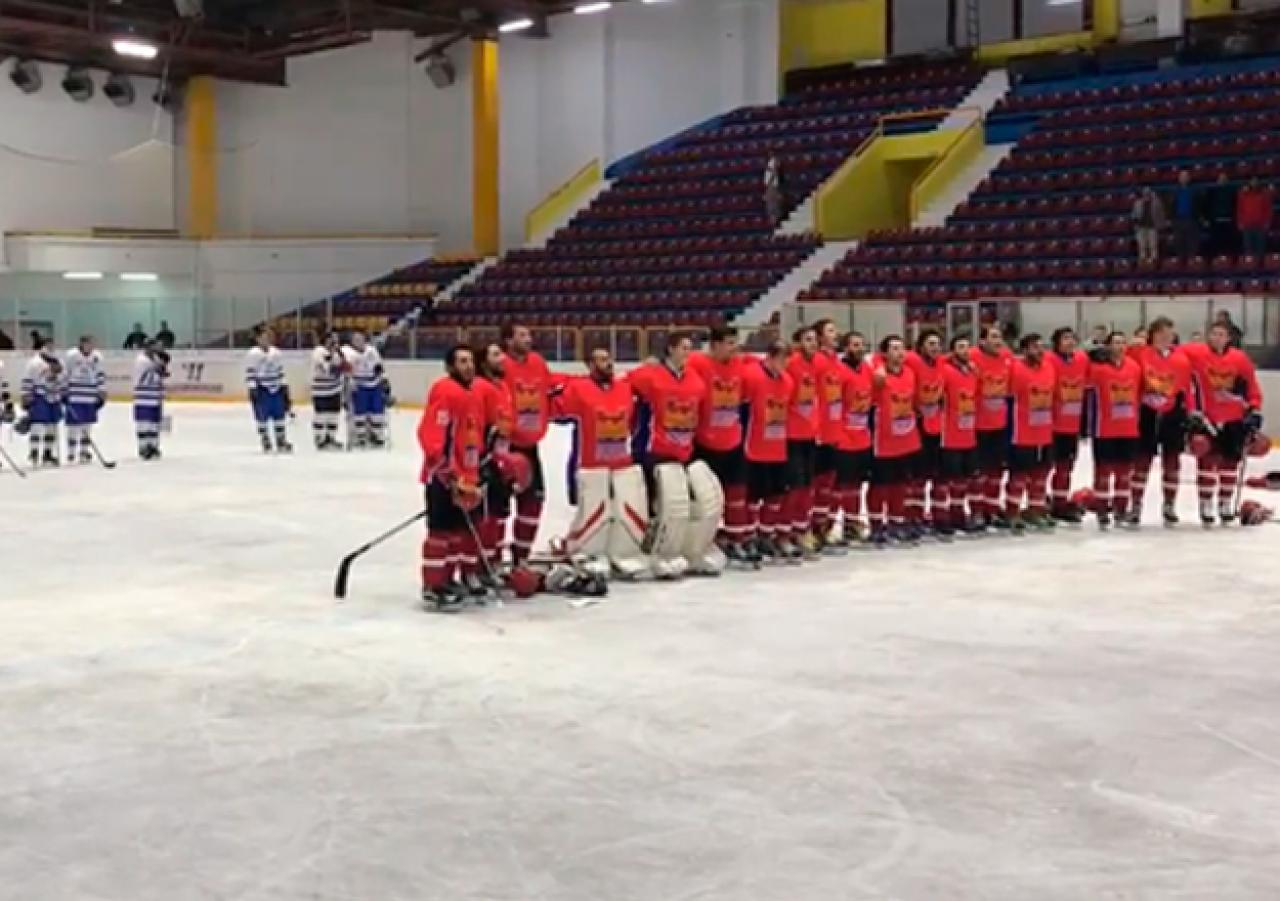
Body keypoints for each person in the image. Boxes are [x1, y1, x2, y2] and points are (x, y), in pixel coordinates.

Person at [551, 346, 648, 578]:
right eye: (602, 360)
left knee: (625, 509)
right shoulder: (578, 389)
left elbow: (634, 421)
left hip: (621, 462)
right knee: (594, 512)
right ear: (589, 364)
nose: (608, 363)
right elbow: (556, 411)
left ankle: (620, 551)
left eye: (609, 358)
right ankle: (581, 548)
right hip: (590, 463)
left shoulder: (625, 389)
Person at [629, 332, 718, 578]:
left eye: (691, 348)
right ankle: (649, 547)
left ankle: (679, 547)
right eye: (683, 348)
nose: (688, 353)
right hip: (655, 450)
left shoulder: (696, 381)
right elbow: (626, 387)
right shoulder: (649, 376)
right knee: (657, 503)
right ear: (670, 349)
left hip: (683, 451)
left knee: (682, 503)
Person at [417, 345, 487, 612]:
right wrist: (446, 473)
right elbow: (433, 434)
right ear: (450, 367)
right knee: (441, 534)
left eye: (470, 360)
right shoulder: (445, 391)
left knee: (460, 534)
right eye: (462, 361)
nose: (469, 366)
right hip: (446, 477)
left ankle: (449, 579)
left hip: (467, 477)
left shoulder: (472, 392)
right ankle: (434, 586)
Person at [1183, 321, 1264, 526]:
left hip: (1234, 418)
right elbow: (1167, 354)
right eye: (1214, 334)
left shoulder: (1239, 358)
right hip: (1207, 418)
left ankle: (1225, 503)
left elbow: (1251, 386)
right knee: (1207, 461)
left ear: (1229, 338)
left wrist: (1254, 407)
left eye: (1221, 334)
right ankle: (1205, 503)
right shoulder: (1195, 353)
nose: (1217, 338)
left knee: (1230, 463)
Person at [687, 326, 752, 563]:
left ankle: (737, 539)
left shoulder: (740, 364)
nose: (734, 348)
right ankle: (707, 539)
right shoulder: (697, 363)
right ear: (714, 345)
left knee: (737, 494)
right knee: (707, 498)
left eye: (735, 343)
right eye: (728, 343)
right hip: (704, 443)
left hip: (733, 441)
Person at [500, 323, 560, 565]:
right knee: (498, 508)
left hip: (530, 447)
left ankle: (520, 556)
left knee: (533, 502)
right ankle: (489, 560)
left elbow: (551, 385)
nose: (529, 339)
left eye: (529, 335)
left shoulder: (537, 362)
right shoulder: (500, 365)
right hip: (504, 447)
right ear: (508, 340)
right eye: (522, 335)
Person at [1133, 316, 1195, 525]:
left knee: (1172, 461)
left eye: (1168, 334)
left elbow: (1187, 389)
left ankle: (1169, 504)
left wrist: (1191, 411)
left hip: (1172, 414)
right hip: (1146, 413)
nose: (1165, 338)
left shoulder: (1182, 359)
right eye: (1160, 334)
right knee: (1142, 461)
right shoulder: (1141, 354)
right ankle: (1136, 504)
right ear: (1152, 335)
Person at [741, 341, 794, 564]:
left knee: (775, 496)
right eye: (783, 359)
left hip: (778, 447)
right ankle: (750, 536)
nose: (786, 364)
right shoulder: (752, 376)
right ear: (771, 357)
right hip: (755, 447)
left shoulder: (788, 382)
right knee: (753, 497)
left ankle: (766, 534)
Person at [869, 336, 921, 546]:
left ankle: (896, 521)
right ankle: (876, 525)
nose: (900, 353)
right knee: (881, 485)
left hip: (907, 438)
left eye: (902, 348)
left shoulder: (910, 373)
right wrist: (879, 365)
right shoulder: (878, 376)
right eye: (894, 349)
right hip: (884, 440)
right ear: (885, 353)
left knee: (901, 484)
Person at [1087, 331, 1142, 529]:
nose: (1119, 346)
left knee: (1124, 472)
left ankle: (1120, 509)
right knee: (1103, 472)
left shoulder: (1135, 368)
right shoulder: (1097, 369)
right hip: (1104, 429)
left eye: (1122, 342)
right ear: (1108, 346)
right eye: (1115, 343)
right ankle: (1102, 509)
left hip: (1128, 429)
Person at [1007, 334, 1057, 533]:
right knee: (1019, 475)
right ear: (1025, 349)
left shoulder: (1049, 367)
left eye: (1041, 346)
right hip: (1022, 432)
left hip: (1044, 431)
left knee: (1041, 473)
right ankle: (1012, 511)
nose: (1040, 350)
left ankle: (1035, 509)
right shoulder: (1015, 368)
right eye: (1035, 347)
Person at [784, 326, 822, 557]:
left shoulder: (816, 364)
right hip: (791, 435)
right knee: (794, 487)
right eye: (808, 339)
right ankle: (786, 531)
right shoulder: (791, 364)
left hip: (810, 434)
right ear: (797, 342)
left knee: (808, 485)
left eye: (815, 340)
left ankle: (801, 528)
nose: (813, 343)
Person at [937, 335, 980, 538]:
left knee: (964, 479)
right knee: (947, 478)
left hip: (968, 433)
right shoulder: (945, 371)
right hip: (950, 434)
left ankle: (958, 513)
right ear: (952, 350)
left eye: (967, 347)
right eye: (960, 347)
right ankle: (942, 515)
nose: (965, 351)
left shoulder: (972, 372)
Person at [835, 331, 874, 545]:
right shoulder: (839, 371)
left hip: (862, 436)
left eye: (862, 344)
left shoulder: (867, 369)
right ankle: (836, 524)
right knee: (843, 485)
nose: (859, 348)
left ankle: (853, 521)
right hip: (843, 435)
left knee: (857, 484)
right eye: (855, 345)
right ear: (846, 347)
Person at [972, 326, 1013, 529]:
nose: (999, 340)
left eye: (1000, 337)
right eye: (994, 337)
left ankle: (992, 508)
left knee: (996, 471)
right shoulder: (972, 357)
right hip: (978, 425)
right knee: (979, 472)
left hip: (1000, 424)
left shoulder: (1007, 357)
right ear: (982, 341)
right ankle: (977, 510)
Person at [905, 329, 945, 535]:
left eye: (937, 343)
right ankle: (911, 514)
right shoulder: (911, 360)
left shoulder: (941, 363)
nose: (935, 347)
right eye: (930, 343)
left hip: (936, 425)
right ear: (921, 346)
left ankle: (927, 513)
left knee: (933, 472)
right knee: (916, 475)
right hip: (916, 425)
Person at [810, 319, 845, 550]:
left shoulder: (836, 361)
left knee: (830, 483)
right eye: (831, 331)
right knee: (816, 482)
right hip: (819, 432)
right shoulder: (818, 361)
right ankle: (810, 528)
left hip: (834, 431)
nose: (836, 334)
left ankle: (824, 526)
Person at [1048, 327, 1089, 522]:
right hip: (1050, 425)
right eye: (1065, 339)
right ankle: (1037, 502)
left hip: (1072, 425)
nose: (1070, 342)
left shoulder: (1081, 359)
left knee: (1066, 467)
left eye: (1073, 338)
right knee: (1044, 467)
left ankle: (1060, 502)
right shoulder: (1049, 360)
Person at [245, 327, 292, 454]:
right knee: (262, 416)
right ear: (258, 339)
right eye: (264, 337)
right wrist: (252, 388)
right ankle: (265, 439)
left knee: (279, 415)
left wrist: (284, 387)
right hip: (262, 388)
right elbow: (250, 372)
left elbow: (280, 371)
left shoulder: (276, 352)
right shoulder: (253, 354)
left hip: (276, 387)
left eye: (268, 337)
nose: (267, 339)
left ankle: (281, 440)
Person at [20, 337, 64, 467]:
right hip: (39, 396)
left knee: (51, 426)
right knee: (37, 425)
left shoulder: (58, 362)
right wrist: (26, 395)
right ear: (43, 346)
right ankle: (34, 452)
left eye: (52, 345)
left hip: (54, 397)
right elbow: (27, 379)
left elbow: (62, 379)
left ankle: (47, 453)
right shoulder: (34, 362)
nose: (51, 347)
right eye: (48, 345)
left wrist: (62, 390)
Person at [63, 335, 106, 464]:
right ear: (81, 344)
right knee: (73, 425)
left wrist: (101, 391)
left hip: (90, 396)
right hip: (75, 395)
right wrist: (64, 391)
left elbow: (100, 374)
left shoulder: (97, 357)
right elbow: (65, 373)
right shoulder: (71, 355)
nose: (89, 346)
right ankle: (71, 452)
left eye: (91, 343)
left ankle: (84, 451)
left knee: (87, 425)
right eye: (86, 343)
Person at [343, 331, 387, 449]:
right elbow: (346, 369)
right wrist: (349, 381)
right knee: (360, 411)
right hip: (358, 384)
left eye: (360, 339)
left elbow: (379, 367)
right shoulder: (347, 352)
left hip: (374, 383)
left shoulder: (372, 351)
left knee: (377, 411)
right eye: (356, 339)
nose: (359, 341)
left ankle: (377, 436)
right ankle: (361, 436)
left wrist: (384, 381)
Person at [133, 339, 170, 460]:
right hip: (144, 396)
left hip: (155, 396)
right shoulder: (141, 361)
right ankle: (143, 447)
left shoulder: (155, 358)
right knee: (144, 422)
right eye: (153, 346)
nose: (155, 348)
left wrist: (163, 367)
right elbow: (145, 378)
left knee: (154, 423)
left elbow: (161, 374)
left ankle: (153, 445)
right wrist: (160, 370)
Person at [310, 331, 347, 450]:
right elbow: (329, 369)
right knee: (321, 415)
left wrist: (342, 364)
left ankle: (330, 438)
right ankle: (319, 439)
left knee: (334, 414)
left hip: (335, 388)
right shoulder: (319, 352)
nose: (335, 342)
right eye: (333, 340)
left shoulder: (338, 353)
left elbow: (346, 368)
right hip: (320, 389)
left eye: (337, 340)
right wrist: (341, 367)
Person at [1235, 176, 1274, 258]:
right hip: (1247, 225)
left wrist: (1267, 222)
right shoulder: (1243, 194)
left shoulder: (1264, 194)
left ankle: (1260, 267)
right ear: (1249, 182)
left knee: (1260, 248)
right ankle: (1250, 267)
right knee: (1248, 248)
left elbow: (1268, 209)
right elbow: (1239, 209)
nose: (1254, 183)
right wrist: (1240, 222)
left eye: (1256, 181)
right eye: (1252, 181)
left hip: (1260, 225)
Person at [1169, 170, 1203, 260]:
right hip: (1178, 220)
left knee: (1192, 243)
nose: (1183, 178)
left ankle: (1192, 263)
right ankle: (1180, 263)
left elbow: (1200, 205)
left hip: (1191, 220)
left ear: (1189, 178)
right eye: (1182, 176)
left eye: (1185, 176)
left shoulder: (1195, 191)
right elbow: (1171, 206)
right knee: (1179, 243)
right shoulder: (1175, 191)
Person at [1206, 172, 1238, 257]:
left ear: (1227, 180)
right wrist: (1209, 219)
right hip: (1216, 222)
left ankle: (1228, 261)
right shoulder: (1212, 192)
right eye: (1221, 178)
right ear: (1217, 180)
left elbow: (1235, 206)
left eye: (1224, 178)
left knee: (1229, 243)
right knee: (1216, 243)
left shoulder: (1232, 191)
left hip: (1229, 221)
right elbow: (1208, 206)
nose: (1222, 180)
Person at [1131, 186, 1166, 264]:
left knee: (1153, 244)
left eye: (1148, 193)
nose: (1146, 194)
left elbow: (1161, 214)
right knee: (1142, 245)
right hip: (1141, 227)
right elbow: (1134, 215)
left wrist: (1161, 225)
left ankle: (1154, 259)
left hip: (1152, 226)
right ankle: (1143, 258)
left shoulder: (1156, 203)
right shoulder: (1138, 203)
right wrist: (1135, 223)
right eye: (1145, 193)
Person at [764, 154, 783, 227]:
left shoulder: (769, 211)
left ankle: (773, 164)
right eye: (774, 220)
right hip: (774, 189)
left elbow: (768, 200)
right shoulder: (778, 212)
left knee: (770, 180)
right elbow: (779, 200)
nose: (773, 219)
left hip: (771, 190)